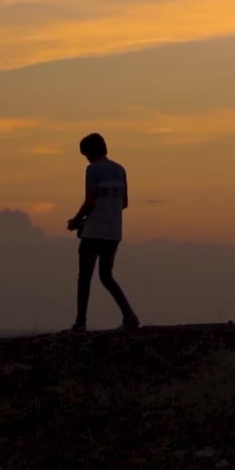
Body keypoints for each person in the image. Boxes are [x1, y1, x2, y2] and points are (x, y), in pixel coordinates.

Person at [67, 133, 139, 333]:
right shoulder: (120, 170)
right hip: (113, 232)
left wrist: (76, 221)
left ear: (89, 152)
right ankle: (129, 315)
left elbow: (90, 202)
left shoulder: (92, 170)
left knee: (85, 277)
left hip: (94, 232)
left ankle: (80, 322)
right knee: (106, 276)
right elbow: (124, 203)